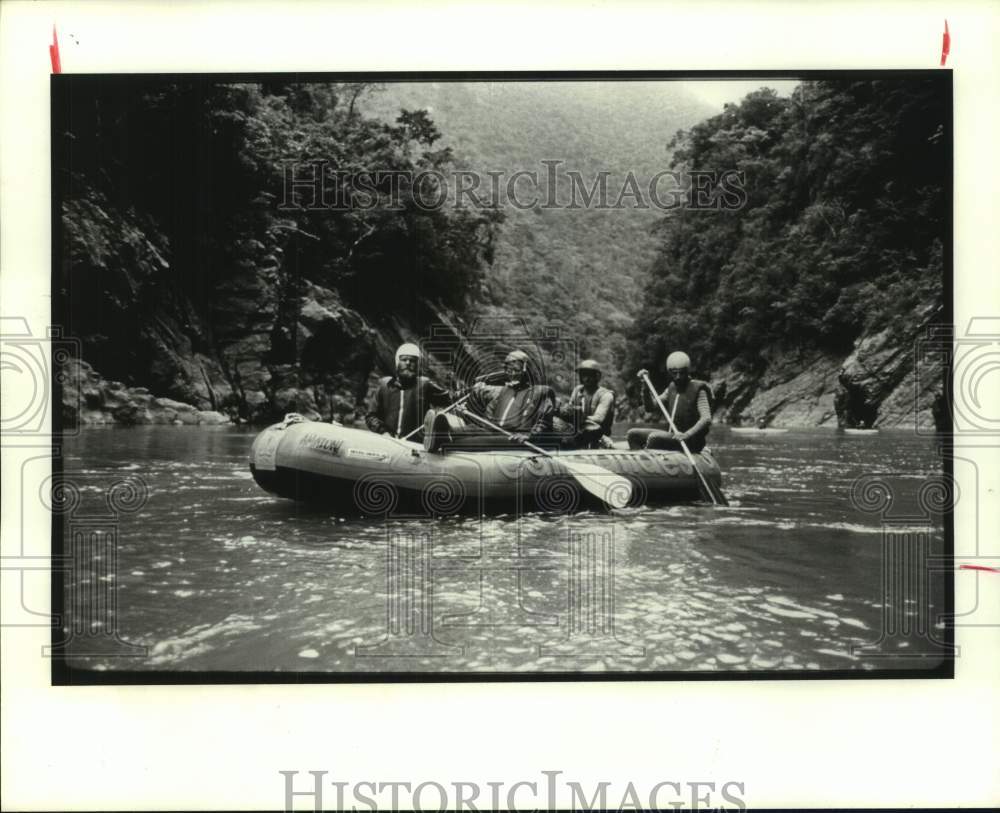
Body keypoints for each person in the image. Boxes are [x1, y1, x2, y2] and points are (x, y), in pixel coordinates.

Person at [426, 349, 555, 451]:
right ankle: (445, 432)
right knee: (472, 429)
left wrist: (530, 436)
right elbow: (481, 397)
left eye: (516, 370)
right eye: (508, 370)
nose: (512, 374)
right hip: (493, 430)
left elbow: (544, 421)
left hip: (514, 436)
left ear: (527, 371)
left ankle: (445, 441)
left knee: (475, 441)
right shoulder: (501, 391)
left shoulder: (541, 392)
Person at [627, 351, 713, 453]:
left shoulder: (699, 390)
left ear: (688, 371)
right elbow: (650, 407)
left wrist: (686, 434)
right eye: (675, 373)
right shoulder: (671, 389)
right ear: (670, 373)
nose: (678, 376)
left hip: (691, 441)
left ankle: (651, 458)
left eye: (682, 373)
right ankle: (639, 458)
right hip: (674, 436)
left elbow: (706, 419)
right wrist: (645, 386)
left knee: (654, 437)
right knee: (633, 434)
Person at [364, 342, 451, 440]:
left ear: (418, 365)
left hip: (415, 445)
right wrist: (383, 432)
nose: (408, 363)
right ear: (397, 362)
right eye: (404, 359)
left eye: (412, 360)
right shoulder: (385, 385)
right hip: (388, 441)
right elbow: (371, 416)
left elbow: (449, 400)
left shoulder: (425, 385)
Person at [555, 359, 616, 449]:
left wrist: (579, 417)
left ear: (597, 376)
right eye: (584, 375)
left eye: (590, 375)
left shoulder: (606, 395)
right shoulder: (577, 390)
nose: (586, 378)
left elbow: (599, 419)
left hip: (598, 435)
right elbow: (570, 410)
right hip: (579, 432)